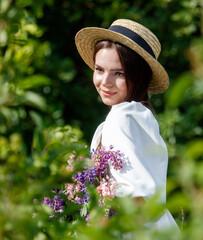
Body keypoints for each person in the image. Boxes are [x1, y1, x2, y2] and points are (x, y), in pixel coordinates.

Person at [75, 19, 180, 233]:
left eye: (119, 73)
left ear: (138, 76)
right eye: (99, 69)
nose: (105, 81)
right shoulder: (139, 115)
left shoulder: (123, 117)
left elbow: (141, 195)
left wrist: (98, 217)